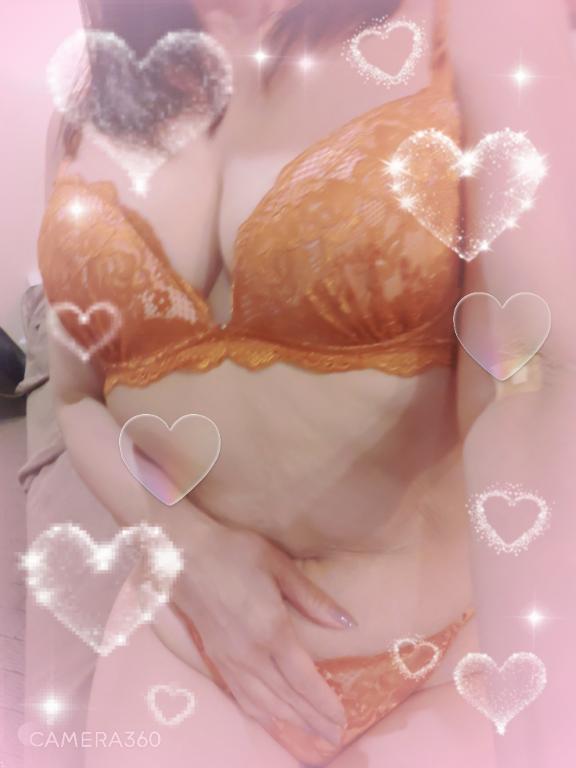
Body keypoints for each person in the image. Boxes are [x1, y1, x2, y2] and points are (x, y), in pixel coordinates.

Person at [36, 0, 576, 766]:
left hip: (446, 658)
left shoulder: (475, 19)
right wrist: (185, 546)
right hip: (196, 640)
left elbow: (538, 377)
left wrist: (542, 717)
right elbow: (76, 399)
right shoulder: (90, 90)